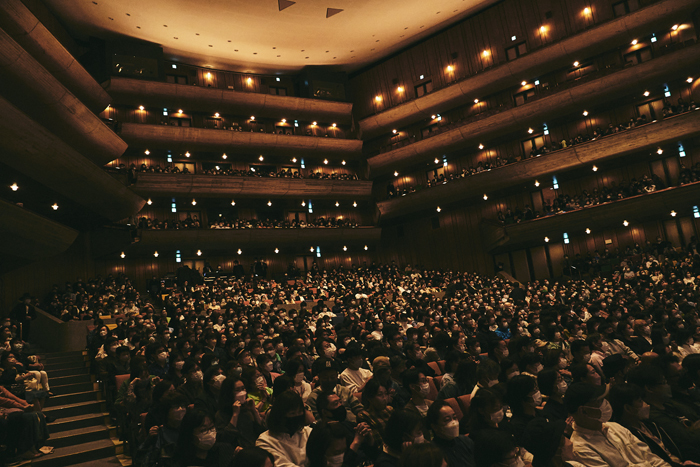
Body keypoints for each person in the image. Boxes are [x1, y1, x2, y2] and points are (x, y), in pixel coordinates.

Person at [564, 382, 671, 466]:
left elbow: (650, 457)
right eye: (599, 401)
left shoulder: (614, 426)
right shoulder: (580, 448)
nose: (605, 403)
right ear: (583, 411)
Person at [256, 390, 313, 467]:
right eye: (292, 413)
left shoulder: (309, 432)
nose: (297, 416)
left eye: (300, 412)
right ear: (280, 415)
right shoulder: (265, 440)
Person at [427, 400, 475, 467]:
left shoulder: (466, 441)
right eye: (447, 420)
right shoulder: (433, 453)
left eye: (454, 418)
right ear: (435, 427)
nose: (453, 423)